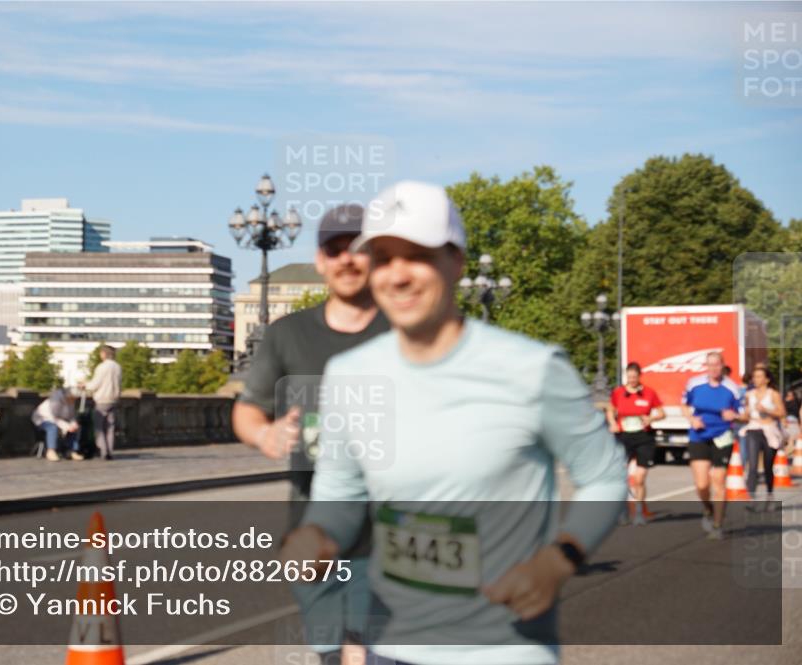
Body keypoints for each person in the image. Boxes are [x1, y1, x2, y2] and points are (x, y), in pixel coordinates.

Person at [282, 181, 627, 665]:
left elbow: (605, 475)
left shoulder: (532, 369)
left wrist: (559, 559)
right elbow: (341, 494)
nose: (396, 275)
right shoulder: (348, 376)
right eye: (382, 258)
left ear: (457, 262)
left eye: (416, 255)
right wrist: (317, 536)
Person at [233, 203, 390, 665]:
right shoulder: (288, 335)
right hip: (312, 526)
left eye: (358, 249)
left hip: (389, 529)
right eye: (334, 249)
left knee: (367, 650)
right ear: (321, 261)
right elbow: (245, 411)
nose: (346, 259)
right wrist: (265, 435)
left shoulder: (405, 330)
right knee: (328, 651)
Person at [681, 351, 742, 539]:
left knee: (718, 480)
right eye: (710, 364)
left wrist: (735, 416)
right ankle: (707, 509)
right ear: (706, 366)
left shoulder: (732, 388)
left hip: (722, 436)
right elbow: (683, 405)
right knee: (701, 484)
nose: (714, 368)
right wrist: (692, 419)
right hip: (699, 435)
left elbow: (743, 413)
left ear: (723, 366)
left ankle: (717, 525)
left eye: (717, 364)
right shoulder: (694, 384)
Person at [608, 362, 664, 525]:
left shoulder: (648, 393)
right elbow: (611, 409)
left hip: (643, 437)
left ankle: (639, 512)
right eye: (629, 377)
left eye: (635, 377)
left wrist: (651, 418)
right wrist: (612, 422)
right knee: (620, 477)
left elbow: (661, 412)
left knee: (639, 478)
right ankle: (623, 511)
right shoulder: (619, 393)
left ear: (640, 376)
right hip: (624, 436)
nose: (632, 380)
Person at [742, 365, 786, 508]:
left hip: (769, 430)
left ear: (766, 379)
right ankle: (752, 498)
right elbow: (746, 414)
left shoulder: (773, 394)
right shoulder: (749, 394)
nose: (756, 379)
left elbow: (781, 413)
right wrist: (739, 415)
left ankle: (770, 495)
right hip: (753, 429)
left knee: (768, 466)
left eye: (760, 376)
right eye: (754, 376)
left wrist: (767, 410)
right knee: (752, 465)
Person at [80, 344, 122, 460]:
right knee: (110, 428)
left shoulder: (102, 367)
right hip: (114, 399)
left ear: (104, 354)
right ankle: (110, 451)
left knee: (99, 428)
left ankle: (103, 451)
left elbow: (95, 384)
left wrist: (85, 385)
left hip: (102, 399)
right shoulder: (118, 367)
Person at [32, 387, 82, 461]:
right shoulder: (56, 400)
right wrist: (67, 426)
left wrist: (73, 424)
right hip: (43, 419)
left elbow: (71, 416)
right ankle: (51, 451)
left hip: (58, 420)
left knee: (74, 428)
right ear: (68, 396)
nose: (73, 400)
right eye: (72, 398)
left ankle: (72, 451)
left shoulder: (71, 402)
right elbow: (53, 417)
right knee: (52, 427)